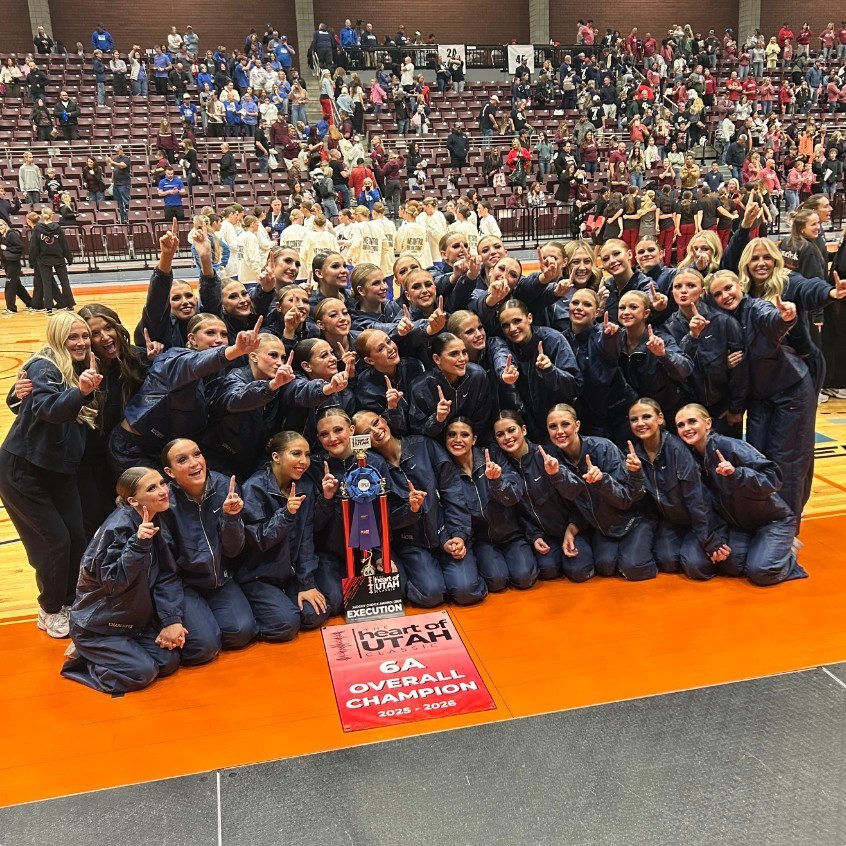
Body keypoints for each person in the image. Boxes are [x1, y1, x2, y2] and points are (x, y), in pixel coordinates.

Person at [0, 312, 101, 638]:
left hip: (59, 470)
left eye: (84, 336)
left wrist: (15, 396)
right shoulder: (46, 365)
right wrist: (81, 393)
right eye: (73, 337)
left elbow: (24, 402)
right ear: (58, 337)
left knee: (75, 537)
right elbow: (50, 409)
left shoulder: (86, 363)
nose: (81, 343)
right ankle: (49, 609)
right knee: (54, 542)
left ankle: (68, 601)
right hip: (24, 470)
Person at [61, 467, 186, 694]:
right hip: (98, 626)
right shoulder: (118, 528)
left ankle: (114, 653)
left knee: (168, 662)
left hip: (131, 622)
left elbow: (167, 574)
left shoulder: (155, 516)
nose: (162, 491)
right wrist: (138, 545)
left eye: (162, 483)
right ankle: (85, 660)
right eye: (151, 488)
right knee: (143, 672)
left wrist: (171, 618)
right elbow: (113, 583)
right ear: (133, 500)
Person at [353, 410, 487, 608]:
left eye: (376, 422)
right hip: (411, 541)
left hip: (444, 532)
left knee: (466, 591)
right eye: (367, 431)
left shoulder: (423, 445)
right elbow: (384, 519)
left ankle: (465, 565)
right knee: (430, 595)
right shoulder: (371, 468)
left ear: (384, 419)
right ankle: (423, 576)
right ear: (361, 439)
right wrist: (411, 510)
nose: (376, 431)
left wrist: (458, 535)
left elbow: (453, 493)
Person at [675, 404, 807, 586]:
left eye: (692, 421)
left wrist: (737, 474)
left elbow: (773, 478)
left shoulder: (728, 446)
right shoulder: (690, 457)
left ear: (707, 423)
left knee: (761, 572)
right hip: (740, 524)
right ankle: (761, 549)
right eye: (681, 425)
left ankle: (787, 553)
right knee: (732, 566)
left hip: (771, 520)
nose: (686, 428)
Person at [159, 439, 258, 664]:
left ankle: (204, 621)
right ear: (170, 472)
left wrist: (231, 519)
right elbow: (164, 568)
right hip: (183, 585)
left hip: (219, 580)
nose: (194, 463)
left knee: (242, 632)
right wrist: (171, 617)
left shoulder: (226, 486)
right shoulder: (165, 502)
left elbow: (234, 552)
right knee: (204, 648)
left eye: (197, 454)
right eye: (182, 460)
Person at [239, 430, 331, 642]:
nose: (304, 461)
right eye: (296, 454)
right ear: (276, 457)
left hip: (287, 573)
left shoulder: (304, 485)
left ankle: (283, 599)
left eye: (307, 455)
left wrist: (306, 583)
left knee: (315, 613)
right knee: (286, 625)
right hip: (258, 574)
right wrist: (287, 514)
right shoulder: (254, 487)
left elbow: (307, 537)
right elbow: (260, 540)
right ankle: (248, 609)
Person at [627, 398, 733, 579]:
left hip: (697, 518)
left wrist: (707, 539)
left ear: (660, 418)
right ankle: (688, 546)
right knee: (667, 561)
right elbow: (636, 496)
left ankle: (722, 536)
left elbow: (696, 499)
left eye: (646, 417)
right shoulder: (635, 454)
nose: (640, 423)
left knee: (696, 567)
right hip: (672, 521)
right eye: (634, 419)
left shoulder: (677, 449)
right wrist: (635, 474)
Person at [443, 417, 538, 592]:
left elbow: (513, 497)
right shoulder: (447, 470)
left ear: (474, 439)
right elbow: (454, 511)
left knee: (525, 578)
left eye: (464, 435)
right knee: (496, 582)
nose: (458, 440)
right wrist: (459, 538)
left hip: (512, 534)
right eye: (452, 435)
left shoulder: (492, 455)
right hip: (482, 539)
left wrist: (497, 481)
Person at [31, 209, 75, 313]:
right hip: (58, 258)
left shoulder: (37, 229)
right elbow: (64, 244)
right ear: (52, 216)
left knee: (46, 283)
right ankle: (69, 305)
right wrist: (69, 257)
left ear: (42, 216)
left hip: (44, 259)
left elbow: (33, 246)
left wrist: (32, 261)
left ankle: (49, 307)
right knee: (65, 282)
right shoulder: (58, 228)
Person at [0, 219, 32, 314]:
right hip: (8, 264)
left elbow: (20, 247)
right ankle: (30, 303)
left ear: (5, 225)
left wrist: (7, 248)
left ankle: (11, 308)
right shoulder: (3, 236)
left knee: (9, 285)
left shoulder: (11, 234)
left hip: (14, 264)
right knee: (17, 285)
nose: (0, 227)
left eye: (1, 225)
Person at [106, 146, 131, 223]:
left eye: (117, 151)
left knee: (125, 202)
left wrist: (111, 162)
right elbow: (114, 170)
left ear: (121, 150)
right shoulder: (115, 159)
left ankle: (127, 218)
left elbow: (122, 165)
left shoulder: (126, 158)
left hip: (124, 184)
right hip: (116, 184)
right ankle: (122, 218)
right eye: (115, 151)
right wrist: (112, 181)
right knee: (118, 202)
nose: (116, 153)